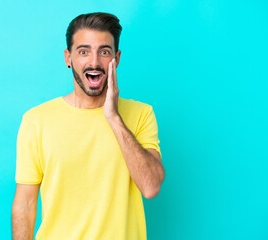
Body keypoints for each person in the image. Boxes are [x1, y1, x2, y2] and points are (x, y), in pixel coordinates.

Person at [12, 12, 165, 240]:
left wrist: (113, 117)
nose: (94, 62)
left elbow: (151, 186)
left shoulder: (141, 114)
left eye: (104, 52)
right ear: (68, 58)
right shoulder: (37, 121)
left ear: (117, 58)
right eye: (83, 52)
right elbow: (25, 204)